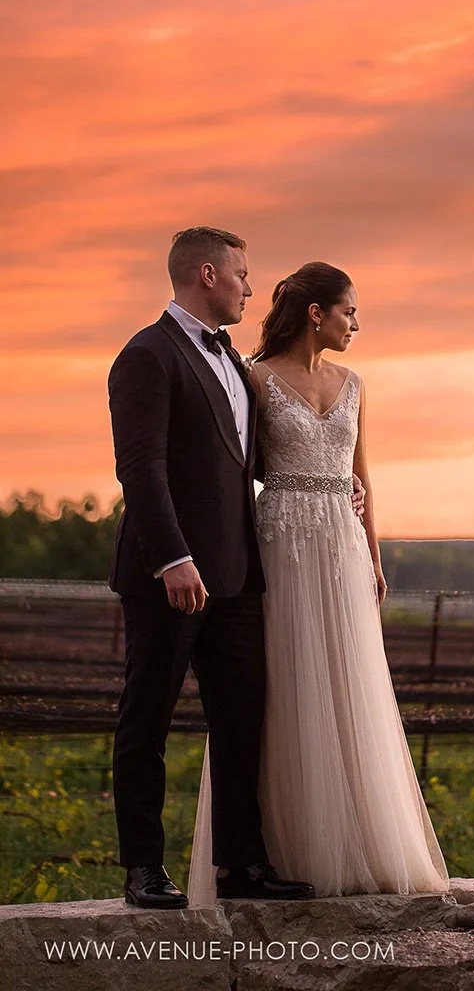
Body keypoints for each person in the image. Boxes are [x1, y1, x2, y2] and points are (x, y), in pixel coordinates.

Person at [108, 227, 364, 908]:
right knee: (148, 721)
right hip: (170, 577)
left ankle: (241, 865)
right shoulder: (146, 356)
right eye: (243, 275)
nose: (253, 288)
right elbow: (140, 467)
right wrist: (172, 558)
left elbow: (253, 465)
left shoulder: (237, 367)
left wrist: (339, 484)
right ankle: (142, 869)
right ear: (207, 274)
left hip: (238, 576)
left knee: (244, 720)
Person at [187, 262, 448, 902]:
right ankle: (279, 849)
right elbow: (234, 464)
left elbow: (364, 474)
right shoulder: (256, 378)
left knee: (348, 681)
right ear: (316, 313)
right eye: (349, 311)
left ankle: (359, 840)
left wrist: (375, 556)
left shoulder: (355, 383)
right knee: (285, 685)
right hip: (279, 541)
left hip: (341, 544)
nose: (356, 323)